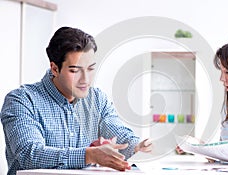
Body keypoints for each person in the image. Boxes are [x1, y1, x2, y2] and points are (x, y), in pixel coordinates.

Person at [0, 26, 152, 175]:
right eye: (74, 71)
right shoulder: (22, 100)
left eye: (91, 69)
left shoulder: (97, 99)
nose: (85, 79)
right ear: (54, 68)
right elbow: (30, 154)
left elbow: (118, 133)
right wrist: (89, 155)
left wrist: (138, 146)